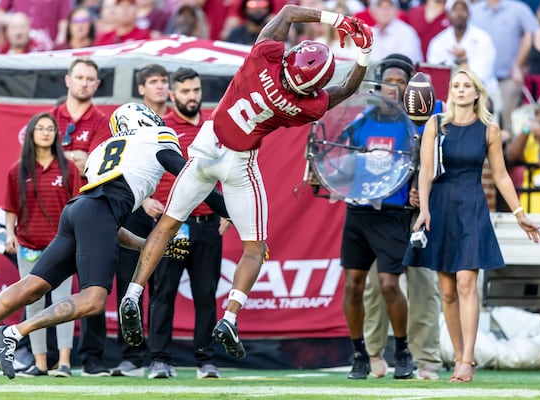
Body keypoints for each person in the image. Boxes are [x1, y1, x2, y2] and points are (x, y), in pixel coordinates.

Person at [118, 4, 373, 360]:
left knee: (168, 224)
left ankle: (131, 294)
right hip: (238, 164)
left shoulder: (264, 56)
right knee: (256, 248)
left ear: (292, 57)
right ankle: (230, 318)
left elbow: (286, 13)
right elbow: (345, 89)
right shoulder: (302, 106)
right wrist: (363, 52)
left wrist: (336, 19)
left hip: (205, 149)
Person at [0, 102, 229, 380]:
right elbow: (192, 180)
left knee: (32, 285)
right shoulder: (158, 137)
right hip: (98, 213)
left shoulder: (100, 152)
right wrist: (232, 211)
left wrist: (146, 246)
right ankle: (12, 333)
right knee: (93, 300)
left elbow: (107, 225)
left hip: (77, 210)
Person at [403, 68, 540, 383]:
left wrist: (520, 212)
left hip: (472, 208)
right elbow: (425, 172)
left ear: (478, 92)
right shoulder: (435, 126)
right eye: (456, 86)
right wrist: (424, 210)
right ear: (449, 91)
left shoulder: (489, 129)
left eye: (467, 86)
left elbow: (502, 175)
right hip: (439, 207)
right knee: (448, 290)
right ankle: (457, 355)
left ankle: (467, 360)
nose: (461, 90)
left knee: (466, 282)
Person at [337, 53, 439, 381]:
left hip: (413, 212)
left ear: (412, 86)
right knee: (367, 287)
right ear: (378, 83)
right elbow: (338, 159)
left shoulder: (427, 117)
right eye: (389, 81)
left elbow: (436, 162)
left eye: (401, 82)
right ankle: (370, 355)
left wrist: (419, 189)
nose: (394, 87)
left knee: (417, 285)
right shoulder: (363, 120)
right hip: (369, 209)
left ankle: (423, 360)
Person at [146, 66, 224, 379]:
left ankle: (206, 360)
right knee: (163, 293)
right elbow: (142, 170)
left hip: (208, 221)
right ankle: (159, 360)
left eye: (195, 90)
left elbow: (230, 170)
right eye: (185, 91)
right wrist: (143, 200)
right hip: (172, 224)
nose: (191, 97)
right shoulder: (161, 128)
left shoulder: (216, 126)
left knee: (206, 293)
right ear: (172, 94)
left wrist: (228, 211)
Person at [2, 112, 81, 378]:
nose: (46, 132)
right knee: (33, 305)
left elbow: (79, 205)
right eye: (41, 128)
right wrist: (10, 234)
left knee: (64, 304)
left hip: (62, 247)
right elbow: (10, 207)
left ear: (57, 135)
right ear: (32, 134)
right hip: (28, 247)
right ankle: (40, 364)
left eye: (50, 128)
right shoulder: (17, 170)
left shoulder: (68, 168)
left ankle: (65, 363)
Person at [50, 57, 111, 377]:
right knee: (43, 284)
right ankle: (43, 357)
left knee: (93, 284)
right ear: (67, 80)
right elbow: (36, 162)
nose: (84, 83)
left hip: (90, 208)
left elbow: (96, 166)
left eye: (90, 79)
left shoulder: (103, 122)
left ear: (97, 85)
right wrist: (75, 157)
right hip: (50, 209)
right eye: (79, 77)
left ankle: (91, 359)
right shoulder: (49, 117)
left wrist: (63, 156)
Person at [470, 0, 539, 134]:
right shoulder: (474, 10)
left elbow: (532, 34)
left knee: (509, 124)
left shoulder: (519, 9)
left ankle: (508, 153)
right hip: (479, 80)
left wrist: (518, 65)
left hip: (508, 78)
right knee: (478, 122)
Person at [427, 0, 500, 124]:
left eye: (463, 9)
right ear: (448, 14)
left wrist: (464, 61)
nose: (459, 14)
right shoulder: (438, 41)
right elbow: (435, 73)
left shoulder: (483, 38)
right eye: (455, 10)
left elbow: (482, 75)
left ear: (469, 13)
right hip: (446, 94)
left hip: (481, 93)